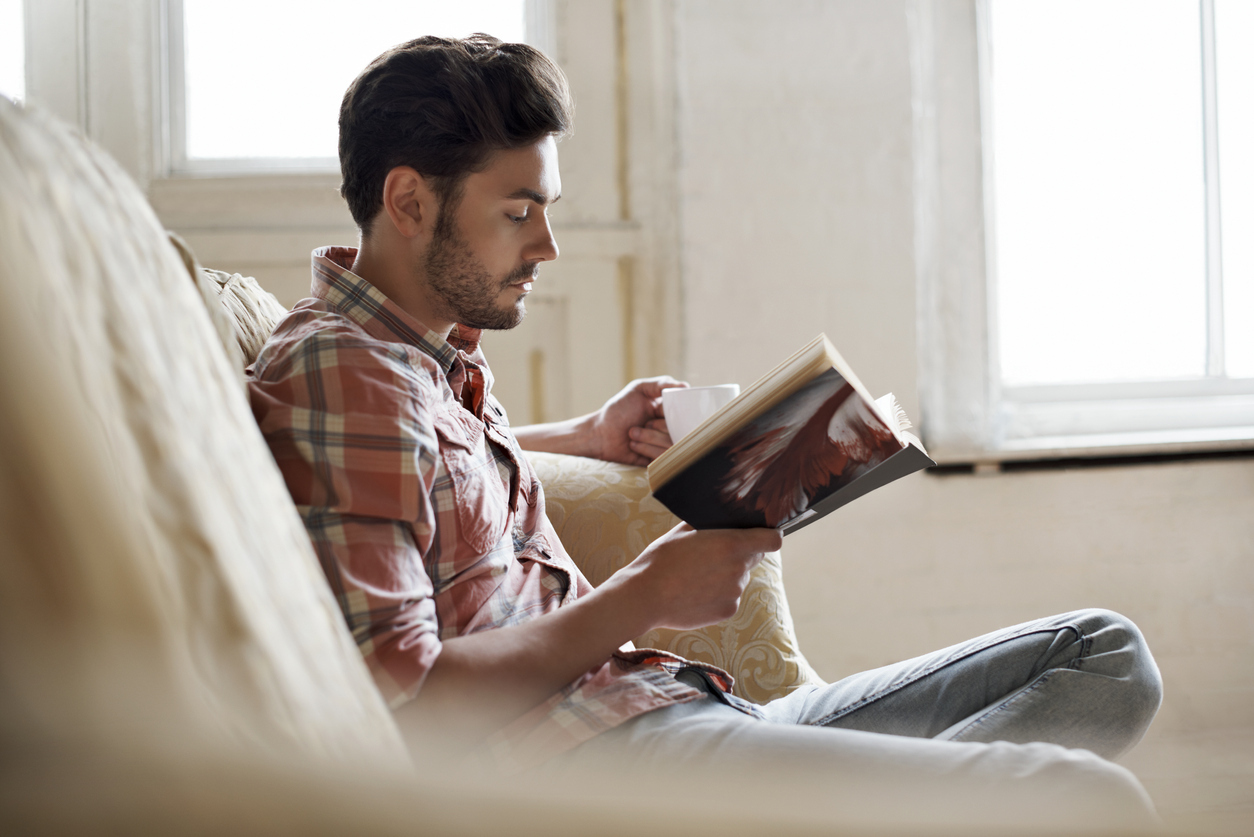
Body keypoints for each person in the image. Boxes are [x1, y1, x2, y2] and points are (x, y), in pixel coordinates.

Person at [247, 34, 1163, 827]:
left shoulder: (415, 355)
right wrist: (646, 591)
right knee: (1084, 798)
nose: (546, 246)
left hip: (663, 709)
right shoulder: (341, 374)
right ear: (408, 202)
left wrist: (586, 432)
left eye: (549, 209)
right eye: (520, 211)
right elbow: (405, 703)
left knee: (1104, 654)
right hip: (599, 764)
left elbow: (424, 471)